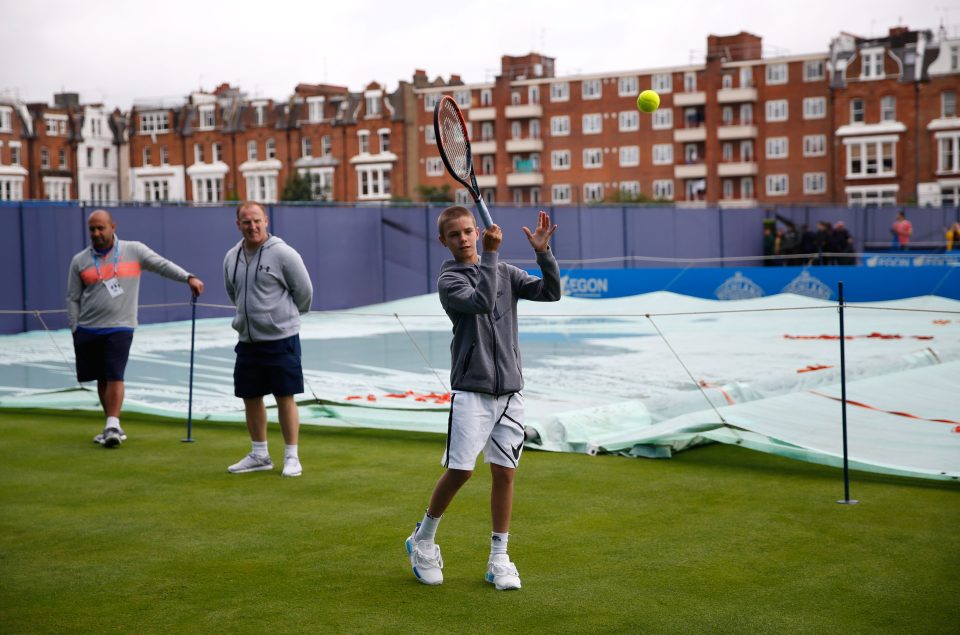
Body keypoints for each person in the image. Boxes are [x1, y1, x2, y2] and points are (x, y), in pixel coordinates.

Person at [404, 207, 561, 591]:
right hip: (471, 393)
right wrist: (490, 255)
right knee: (461, 471)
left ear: (477, 231)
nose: (463, 239)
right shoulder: (449, 280)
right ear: (444, 241)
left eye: (468, 232)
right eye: (454, 235)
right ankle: (423, 539)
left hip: (510, 393)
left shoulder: (506, 272)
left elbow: (551, 293)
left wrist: (543, 254)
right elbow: (482, 302)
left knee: (504, 474)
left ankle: (499, 557)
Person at [66, 209, 205, 448]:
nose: (97, 233)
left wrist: (188, 277)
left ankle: (113, 423)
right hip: (88, 329)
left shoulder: (134, 250)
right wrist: (75, 327)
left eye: (101, 228)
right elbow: (73, 297)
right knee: (102, 378)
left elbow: (162, 265)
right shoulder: (80, 260)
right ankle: (111, 425)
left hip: (121, 326)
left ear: (113, 227)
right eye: (92, 229)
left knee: (114, 374)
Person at [224, 201, 313, 478]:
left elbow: (304, 293)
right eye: (246, 222)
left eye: (257, 221)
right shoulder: (231, 256)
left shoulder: (284, 253)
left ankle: (291, 456)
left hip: (281, 339)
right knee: (250, 397)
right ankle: (260, 454)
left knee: (284, 397)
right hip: (247, 341)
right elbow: (233, 292)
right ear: (238, 224)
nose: (252, 226)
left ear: (266, 221)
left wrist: (280, 319)